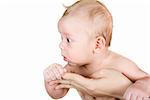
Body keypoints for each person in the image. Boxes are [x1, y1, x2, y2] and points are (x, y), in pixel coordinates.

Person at [43, 0, 150, 99]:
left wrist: (140, 86)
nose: (60, 45)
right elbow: (57, 94)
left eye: (68, 40)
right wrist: (51, 79)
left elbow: (146, 78)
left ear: (97, 44)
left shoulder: (119, 64)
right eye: (61, 38)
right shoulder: (74, 67)